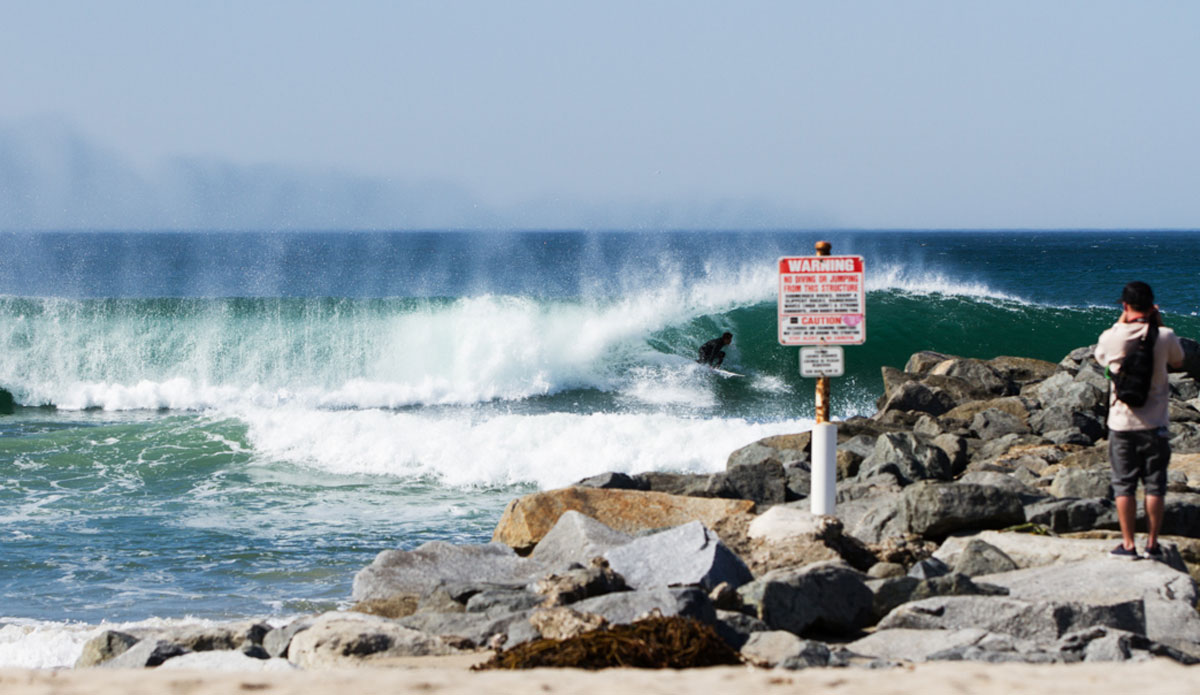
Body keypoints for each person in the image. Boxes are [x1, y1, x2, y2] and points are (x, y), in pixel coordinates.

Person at [1094, 281, 1184, 560]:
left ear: (1124, 305)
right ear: (1152, 305)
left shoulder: (1112, 336)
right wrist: (1157, 323)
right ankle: (1153, 545)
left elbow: (1100, 358)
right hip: (1155, 425)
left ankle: (1129, 544)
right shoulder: (1165, 336)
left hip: (1122, 426)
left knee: (1124, 485)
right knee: (1155, 486)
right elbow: (1178, 361)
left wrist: (1121, 323)